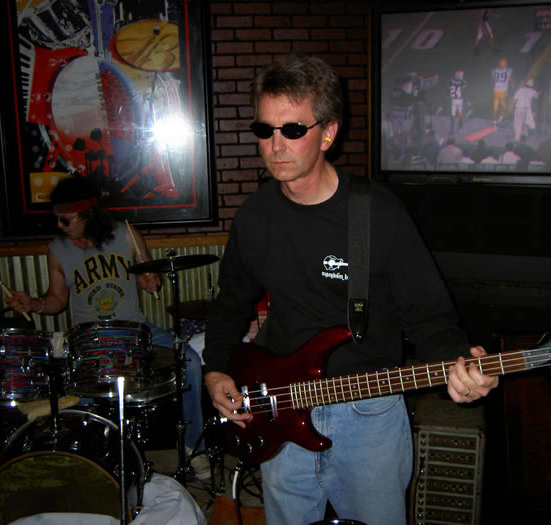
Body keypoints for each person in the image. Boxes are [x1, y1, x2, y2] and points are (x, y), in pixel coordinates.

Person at [203, 54, 499, 525]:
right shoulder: (255, 217)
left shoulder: (376, 212)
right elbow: (229, 304)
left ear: (327, 133)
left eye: (292, 130)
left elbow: (429, 314)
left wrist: (458, 361)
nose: (276, 145)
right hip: (281, 404)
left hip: (367, 413)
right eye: (265, 130)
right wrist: (216, 369)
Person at [6, 176, 207, 476]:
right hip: (91, 339)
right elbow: (57, 300)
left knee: (188, 361)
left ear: (87, 214)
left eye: (65, 219)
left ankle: (194, 447)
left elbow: (148, 274)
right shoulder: (58, 250)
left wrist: (152, 279)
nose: (59, 226)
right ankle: (93, 461)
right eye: (57, 219)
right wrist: (33, 304)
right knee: (83, 395)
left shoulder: (125, 234)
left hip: (136, 329)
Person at [491, 57, 514, 125]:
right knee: (505, 107)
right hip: (503, 92)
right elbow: (511, 81)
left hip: (495, 91)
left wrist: (491, 89)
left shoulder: (494, 70)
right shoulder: (509, 71)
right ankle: (500, 119)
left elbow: (492, 81)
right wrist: (512, 89)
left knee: (495, 107)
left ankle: (494, 121)